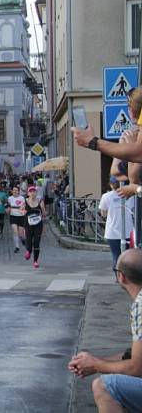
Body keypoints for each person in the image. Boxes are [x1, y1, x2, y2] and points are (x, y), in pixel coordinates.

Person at [69, 248, 142, 413]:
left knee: (105, 386)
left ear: (121, 276)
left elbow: (137, 368)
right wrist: (97, 361)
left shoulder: (141, 304)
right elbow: (133, 355)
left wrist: (95, 365)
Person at [99, 177, 134, 271]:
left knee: (116, 256)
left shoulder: (106, 196)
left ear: (110, 184)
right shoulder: (130, 195)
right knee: (128, 257)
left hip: (112, 232)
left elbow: (103, 213)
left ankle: (118, 277)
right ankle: (128, 277)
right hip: (127, 230)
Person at [23, 186, 47, 268]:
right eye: (31, 191)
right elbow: (21, 210)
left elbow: (44, 214)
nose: (33, 193)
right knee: (28, 240)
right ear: (28, 193)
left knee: (37, 242)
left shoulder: (40, 201)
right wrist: (23, 211)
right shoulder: (25, 201)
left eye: (34, 191)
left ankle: (35, 261)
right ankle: (28, 251)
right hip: (28, 224)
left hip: (38, 225)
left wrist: (43, 209)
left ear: (36, 193)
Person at [7, 186, 26, 254]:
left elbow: (24, 206)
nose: (14, 191)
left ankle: (23, 239)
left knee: (21, 234)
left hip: (21, 217)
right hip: (13, 217)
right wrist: (8, 210)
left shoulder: (22, 198)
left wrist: (22, 208)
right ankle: (17, 247)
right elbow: (7, 206)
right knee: (15, 231)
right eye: (13, 190)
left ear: (18, 191)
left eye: (16, 190)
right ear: (12, 191)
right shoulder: (9, 198)